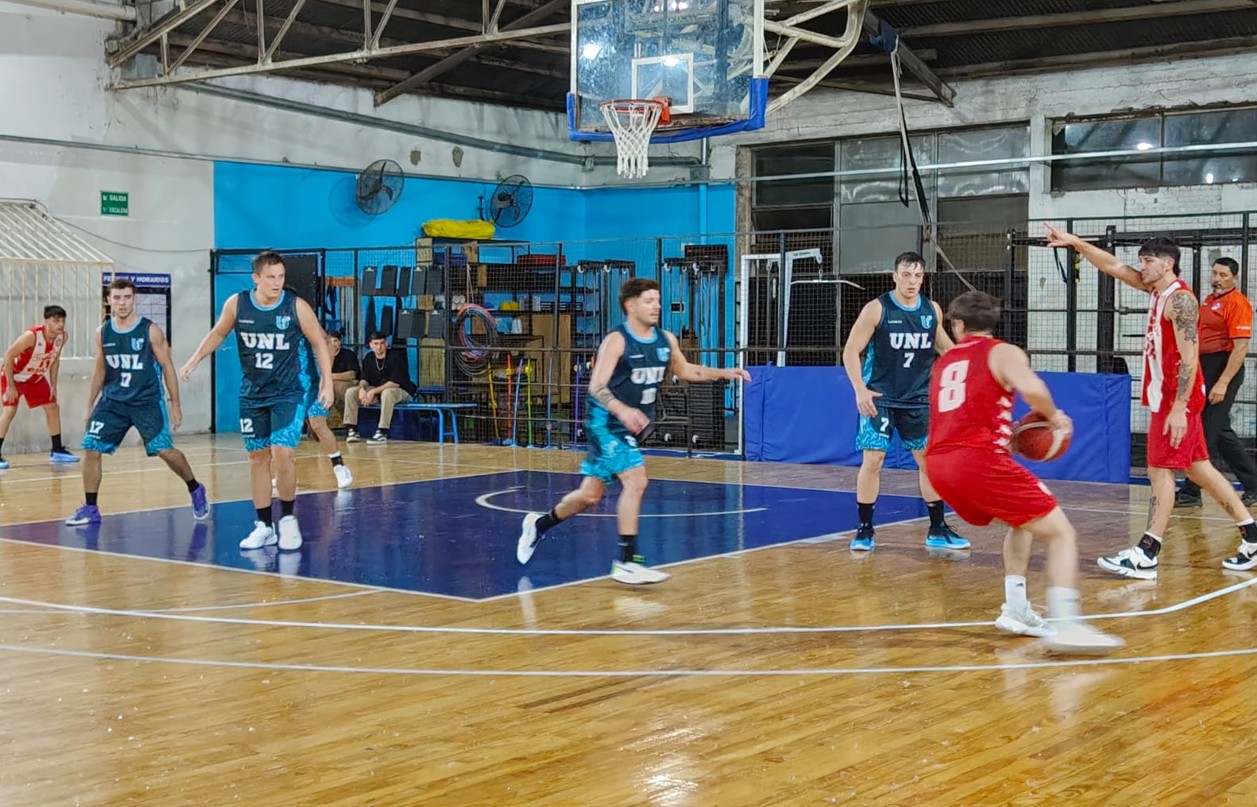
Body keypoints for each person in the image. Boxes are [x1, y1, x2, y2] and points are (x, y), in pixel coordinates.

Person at [1046, 227, 1257, 575]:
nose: (1141, 266)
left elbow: (1190, 359)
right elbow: (1113, 266)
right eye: (1141, 260)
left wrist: (1179, 408)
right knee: (1199, 469)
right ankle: (1252, 534)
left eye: (1148, 260)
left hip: (1177, 399)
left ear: (1168, 263)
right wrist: (1076, 243)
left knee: (1159, 472)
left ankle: (1147, 552)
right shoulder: (1156, 290)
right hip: (1168, 396)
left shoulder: (1181, 301)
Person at [515, 278, 752, 585]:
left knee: (589, 496)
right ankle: (627, 561)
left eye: (658, 300)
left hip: (631, 426)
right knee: (637, 481)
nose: (657, 306)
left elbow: (686, 370)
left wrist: (724, 372)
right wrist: (623, 410)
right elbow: (596, 386)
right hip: (606, 422)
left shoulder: (666, 340)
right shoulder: (617, 340)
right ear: (630, 305)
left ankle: (538, 525)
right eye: (649, 301)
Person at [924, 291, 1123, 652]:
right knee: (1061, 533)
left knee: (1024, 521)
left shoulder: (945, 362)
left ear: (958, 325)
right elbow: (1033, 388)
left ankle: (1016, 608)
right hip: (977, 461)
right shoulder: (1003, 352)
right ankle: (1067, 626)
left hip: (939, 464)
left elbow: (963, 413)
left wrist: (1007, 436)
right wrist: (1054, 417)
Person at [180, 250, 333, 552]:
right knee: (257, 459)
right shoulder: (237, 304)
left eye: (281, 277)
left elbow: (319, 341)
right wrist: (194, 360)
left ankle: (287, 519)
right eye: (271, 277)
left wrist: (327, 382)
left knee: (282, 453)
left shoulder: (295, 306)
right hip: (253, 393)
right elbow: (218, 333)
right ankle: (264, 526)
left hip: (288, 392)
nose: (277, 283)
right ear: (256, 278)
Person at [841, 251, 967, 552]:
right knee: (874, 459)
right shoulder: (877, 309)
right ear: (895, 276)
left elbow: (945, 348)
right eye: (906, 275)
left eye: (918, 276)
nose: (912, 281)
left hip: (918, 398)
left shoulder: (931, 310)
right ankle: (865, 529)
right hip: (880, 397)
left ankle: (937, 528)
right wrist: (859, 389)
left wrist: (974, 362)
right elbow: (851, 351)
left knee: (928, 462)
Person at [65, 278, 210, 525]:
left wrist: (175, 404)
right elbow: (100, 370)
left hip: (146, 402)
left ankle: (195, 488)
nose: (122, 303)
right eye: (117, 298)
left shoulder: (150, 331)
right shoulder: (103, 333)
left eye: (127, 297)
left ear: (135, 299)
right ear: (109, 300)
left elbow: (167, 366)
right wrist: (89, 405)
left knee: (165, 451)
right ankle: (90, 507)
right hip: (113, 402)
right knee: (91, 448)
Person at [1176, 257, 1257, 506]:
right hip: (1206, 367)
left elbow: (1240, 348)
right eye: (1215, 273)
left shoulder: (1238, 303)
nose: (1217, 279)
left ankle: (1191, 491)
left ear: (1234, 278)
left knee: (1207, 430)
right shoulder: (1210, 300)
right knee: (1220, 431)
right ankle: (1254, 485)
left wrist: (1223, 382)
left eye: (1223, 275)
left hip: (1224, 367)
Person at [0, 305, 79, 468]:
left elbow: (55, 360)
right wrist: (11, 386)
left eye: (62, 321)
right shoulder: (32, 336)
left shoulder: (62, 337)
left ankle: (57, 450)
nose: (60, 324)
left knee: (53, 407)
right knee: (9, 411)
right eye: (56, 321)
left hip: (35, 378)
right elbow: (8, 355)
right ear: (46, 321)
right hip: (15, 376)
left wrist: (53, 385)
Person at [343, 331, 416, 445]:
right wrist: (362, 389)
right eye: (376, 344)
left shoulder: (396, 356)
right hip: (377, 391)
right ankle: (352, 430)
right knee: (351, 392)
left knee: (387, 393)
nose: (379, 347)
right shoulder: (369, 358)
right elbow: (364, 378)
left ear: (386, 344)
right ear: (370, 345)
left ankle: (382, 432)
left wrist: (373, 392)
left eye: (382, 343)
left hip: (401, 390)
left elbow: (395, 383)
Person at [305, 331, 353, 489]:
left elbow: (329, 347)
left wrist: (326, 383)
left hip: (316, 385)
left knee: (317, 422)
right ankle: (280, 472)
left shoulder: (309, 326)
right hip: (293, 386)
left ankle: (339, 467)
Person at [327, 330, 360, 424]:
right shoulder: (323, 356)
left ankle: (346, 422)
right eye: (330, 342)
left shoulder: (348, 354)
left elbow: (352, 375)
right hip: (331, 385)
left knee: (334, 386)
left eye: (335, 341)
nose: (333, 344)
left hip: (350, 384)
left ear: (340, 342)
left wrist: (332, 377)